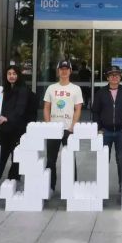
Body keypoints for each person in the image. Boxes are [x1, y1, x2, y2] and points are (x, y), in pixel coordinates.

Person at [91, 66, 122, 192]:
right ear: (107, 77)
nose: (114, 77)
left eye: (117, 75)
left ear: (120, 77)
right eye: (111, 75)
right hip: (105, 132)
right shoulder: (101, 93)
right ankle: (102, 189)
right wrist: (99, 127)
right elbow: (95, 112)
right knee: (103, 161)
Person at [43, 60, 84, 192]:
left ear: (70, 71)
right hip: (53, 130)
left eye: (67, 69)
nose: (64, 71)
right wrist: (48, 124)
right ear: (58, 71)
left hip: (68, 129)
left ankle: (72, 187)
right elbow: (46, 107)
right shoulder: (51, 88)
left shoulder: (75, 89)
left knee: (70, 159)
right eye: (61, 68)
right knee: (50, 160)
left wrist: (72, 126)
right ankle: (50, 186)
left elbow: (78, 109)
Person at [0, 65, 29, 181]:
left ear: (18, 75)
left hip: (17, 129)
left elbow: (20, 109)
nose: (11, 76)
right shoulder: (3, 90)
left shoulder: (23, 89)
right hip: (4, 129)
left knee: (16, 156)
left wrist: (7, 118)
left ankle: (12, 181)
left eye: (14, 74)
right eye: (9, 74)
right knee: (0, 156)